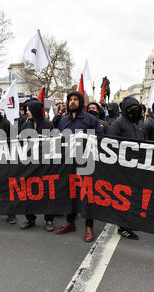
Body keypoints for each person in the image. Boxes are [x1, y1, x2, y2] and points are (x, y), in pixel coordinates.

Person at [56, 91, 102, 242]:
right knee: (70, 192)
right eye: (70, 99)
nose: (72, 102)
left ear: (80, 102)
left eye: (76, 99)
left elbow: (99, 140)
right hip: (68, 163)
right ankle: (70, 222)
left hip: (86, 162)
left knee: (87, 194)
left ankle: (89, 227)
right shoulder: (63, 120)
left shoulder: (90, 120)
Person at [109, 96, 144, 240]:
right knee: (123, 196)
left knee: (134, 194)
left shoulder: (140, 122)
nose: (134, 112)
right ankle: (122, 226)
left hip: (137, 165)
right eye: (131, 109)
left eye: (137, 109)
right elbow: (111, 143)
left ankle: (130, 222)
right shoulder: (119, 123)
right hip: (123, 166)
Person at [19, 99, 56, 232]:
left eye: (29, 109)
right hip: (30, 163)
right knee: (29, 191)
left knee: (48, 191)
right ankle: (30, 218)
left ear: (34, 110)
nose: (26, 111)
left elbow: (54, 144)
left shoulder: (48, 125)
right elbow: (21, 145)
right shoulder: (25, 125)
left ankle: (49, 219)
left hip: (45, 164)